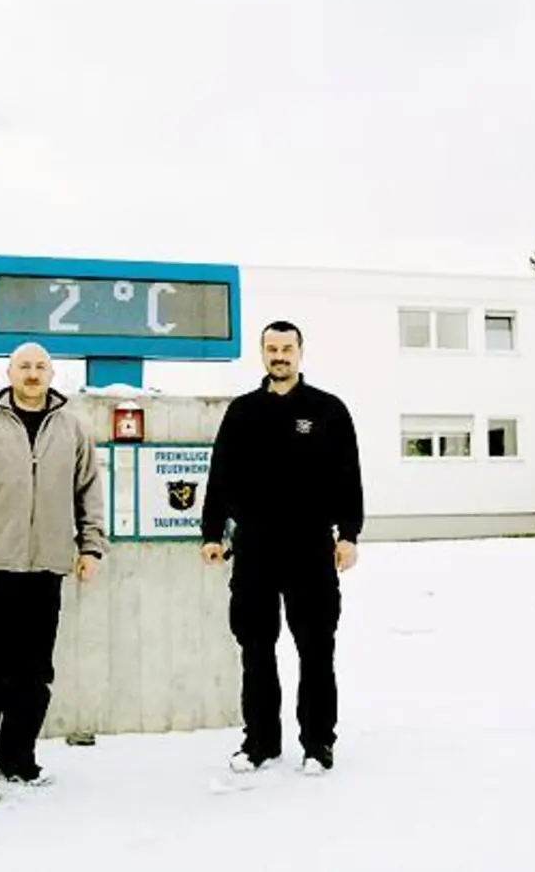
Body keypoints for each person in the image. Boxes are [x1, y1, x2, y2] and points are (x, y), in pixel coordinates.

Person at [0, 341, 106, 806]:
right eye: (24, 366)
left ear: (51, 374)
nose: (32, 373)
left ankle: (18, 760)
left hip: (46, 570)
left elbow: (89, 492)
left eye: (40, 366)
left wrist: (91, 546)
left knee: (33, 675)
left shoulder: (72, 428)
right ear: (9, 373)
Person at [200, 319, 364, 776]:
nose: (279, 356)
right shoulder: (242, 412)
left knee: (316, 649)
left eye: (286, 348)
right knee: (255, 648)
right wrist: (212, 533)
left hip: (310, 546)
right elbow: (220, 476)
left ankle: (318, 743)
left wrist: (348, 534)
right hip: (254, 547)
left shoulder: (328, 410)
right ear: (262, 353)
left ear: (300, 352)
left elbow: (348, 477)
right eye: (271, 348)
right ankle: (260, 742)